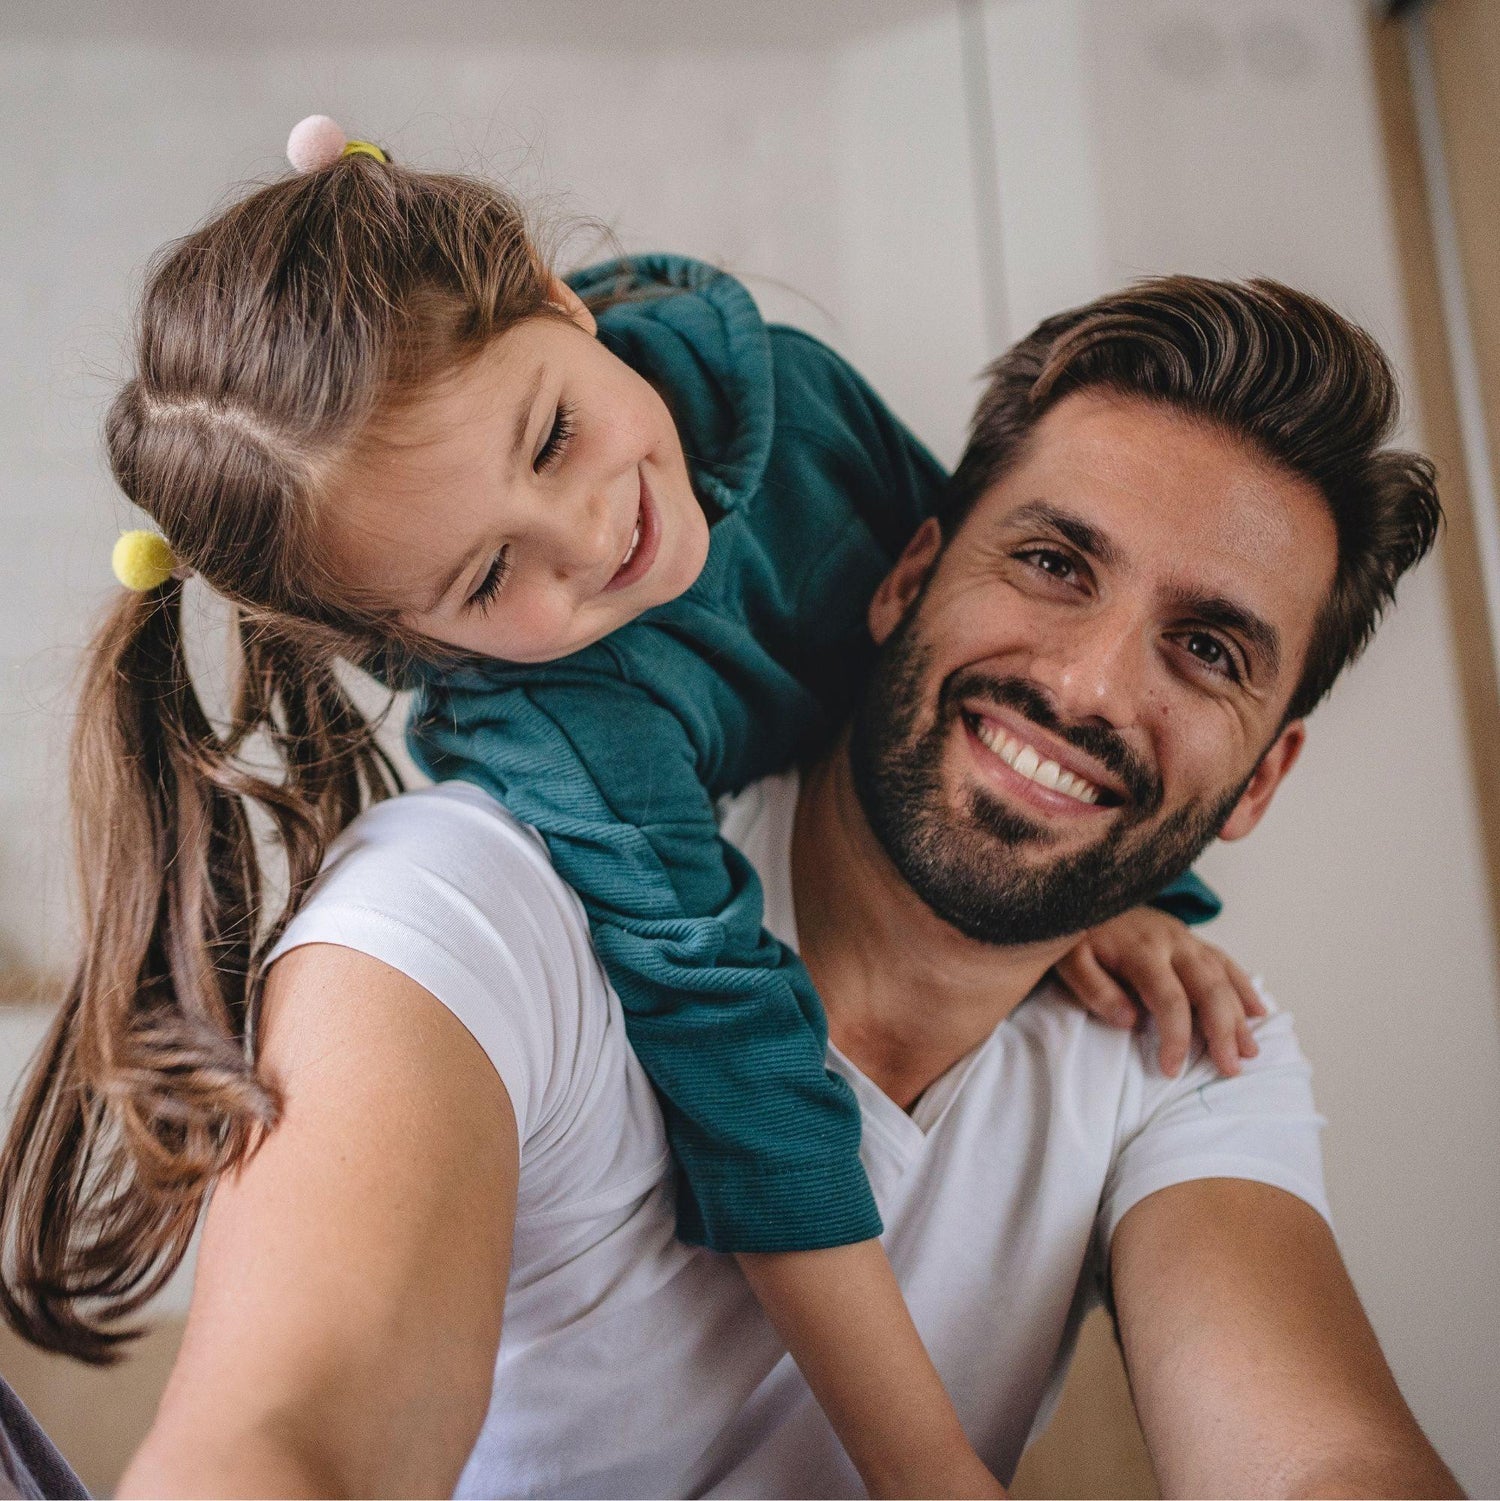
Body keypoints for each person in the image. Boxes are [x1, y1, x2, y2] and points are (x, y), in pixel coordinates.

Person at [0, 123, 1266, 1496]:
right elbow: (741, 1058)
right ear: (411, 642)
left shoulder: (784, 391)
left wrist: (1105, 885)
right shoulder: (558, 727)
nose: (593, 533)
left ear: (559, 298)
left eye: (551, 435)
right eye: (491, 580)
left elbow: (982, 649)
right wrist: (927, 1469)